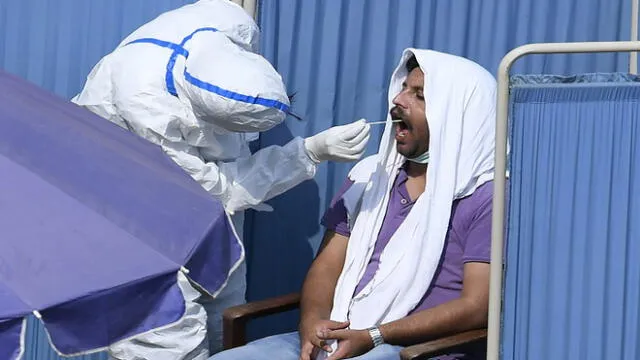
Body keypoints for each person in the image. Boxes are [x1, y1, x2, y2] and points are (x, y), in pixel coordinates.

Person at [71, 1, 370, 359]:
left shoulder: (227, 36)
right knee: (165, 344)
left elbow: (226, 169)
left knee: (224, 324)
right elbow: (217, 188)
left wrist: (309, 149)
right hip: (134, 228)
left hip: (209, 226)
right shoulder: (145, 103)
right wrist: (307, 152)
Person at [209, 49, 497, 360]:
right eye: (403, 89)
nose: (398, 101)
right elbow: (327, 267)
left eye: (420, 96)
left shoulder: (484, 197)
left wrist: (374, 335)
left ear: (457, 116)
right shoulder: (369, 177)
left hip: (409, 349)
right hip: (339, 337)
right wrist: (312, 325)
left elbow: (477, 307)